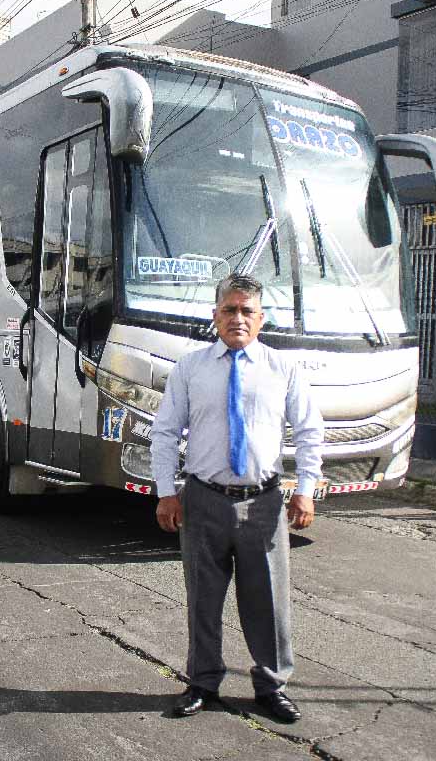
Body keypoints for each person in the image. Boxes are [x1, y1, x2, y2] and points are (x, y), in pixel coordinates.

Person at [150, 273, 324, 723]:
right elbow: (165, 432)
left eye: (247, 311)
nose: (238, 318)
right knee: (202, 599)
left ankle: (271, 686)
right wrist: (166, 492)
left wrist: (306, 490)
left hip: (263, 503)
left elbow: (309, 432)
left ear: (261, 319)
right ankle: (203, 682)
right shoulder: (191, 368)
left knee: (268, 601)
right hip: (203, 499)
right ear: (215, 316)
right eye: (229, 310)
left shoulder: (283, 368)